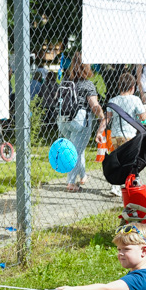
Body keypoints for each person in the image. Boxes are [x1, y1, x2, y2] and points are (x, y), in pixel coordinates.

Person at [57, 52, 107, 192]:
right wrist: (102, 115)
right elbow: (94, 105)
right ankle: (71, 183)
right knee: (76, 152)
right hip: (80, 121)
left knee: (78, 148)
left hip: (63, 121)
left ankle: (83, 176)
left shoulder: (66, 80)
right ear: (86, 65)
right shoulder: (88, 84)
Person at [104, 73, 146, 197]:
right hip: (130, 136)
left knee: (118, 160)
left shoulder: (113, 100)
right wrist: (145, 111)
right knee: (132, 161)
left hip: (115, 136)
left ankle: (115, 186)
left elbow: (107, 118)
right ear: (132, 87)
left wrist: (99, 131)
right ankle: (134, 182)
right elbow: (142, 117)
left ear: (119, 86)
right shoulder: (135, 99)